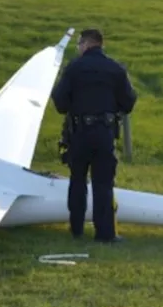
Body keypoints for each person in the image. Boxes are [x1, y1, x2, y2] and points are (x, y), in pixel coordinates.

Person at [51, 28, 137, 243]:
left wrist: (76, 108)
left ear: (86, 44)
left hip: (79, 132)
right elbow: (129, 101)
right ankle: (105, 234)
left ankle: (76, 229)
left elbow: (60, 101)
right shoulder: (115, 69)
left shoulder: (74, 68)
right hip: (104, 132)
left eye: (79, 44)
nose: (78, 48)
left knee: (77, 180)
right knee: (103, 183)